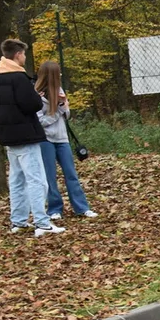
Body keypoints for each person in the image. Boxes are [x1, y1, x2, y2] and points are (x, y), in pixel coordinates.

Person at [0, 39, 64, 237]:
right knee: (37, 180)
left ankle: (19, 221)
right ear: (17, 55)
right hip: (25, 136)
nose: (24, 58)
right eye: (23, 54)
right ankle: (42, 223)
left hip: (7, 137)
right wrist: (37, 96)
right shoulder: (19, 79)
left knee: (17, 180)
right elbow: (32, 105)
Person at [34, 61, 97, 220]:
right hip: (46, 139)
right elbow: (40, 121)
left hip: (62, 139)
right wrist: (57, 111)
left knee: (71, 174)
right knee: (50, 176)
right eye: (58, 73)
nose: (60, 75)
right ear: (51, 75)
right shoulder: (36, 94)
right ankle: (54, 209)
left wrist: (63, 105)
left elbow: (66, 115)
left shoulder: (59, 90)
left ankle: (82, 207)